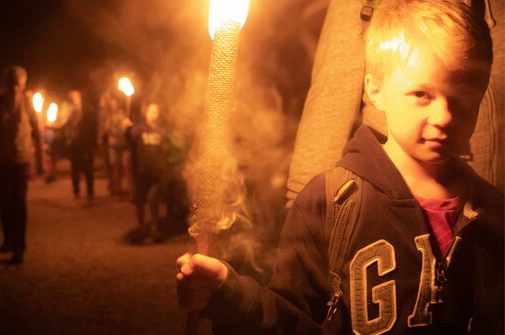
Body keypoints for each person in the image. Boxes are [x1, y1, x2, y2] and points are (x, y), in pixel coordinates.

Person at [176, 1, 504, 334]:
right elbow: (292, 318)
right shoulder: (331, 204)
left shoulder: (493, 213)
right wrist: (229, 292)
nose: (445, 116)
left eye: (463, 94)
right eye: (421, 93)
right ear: (375, 89)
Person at [286, 0, 503, 208]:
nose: (443, 116)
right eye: (421, 94)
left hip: (482, 218)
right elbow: (330, 101)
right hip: (384, 209)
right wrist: (304, 206)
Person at [0, 65, 43, 264]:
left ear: (23, 84)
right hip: (0, 159)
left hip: (21, 159)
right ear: (6, 84)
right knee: (4, 201)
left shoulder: (28, 105)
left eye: (18, 83)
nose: (15, 87)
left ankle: (20, 246)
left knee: (19, 202)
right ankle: (8, 239)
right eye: (11, 83)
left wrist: (40, 160)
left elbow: (37, 132)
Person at [128, 103, 167, 243]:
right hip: (141, 172)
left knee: (153, 200)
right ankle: (141, 227)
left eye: (156, 111)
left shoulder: (161, 132)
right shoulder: (138, 129)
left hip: (155, 173)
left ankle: (154, 227)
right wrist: (127, 129)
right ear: (146, 112)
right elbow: (129, 143)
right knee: (140, 201)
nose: (153, 114)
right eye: (151, 111)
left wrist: (162, 167)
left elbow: (163, 152)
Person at [62, 89, 98, 201]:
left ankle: (90, 192)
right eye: (71, 98)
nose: (73, 100)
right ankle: (76, 190)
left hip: (86, 144)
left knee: (88, 168)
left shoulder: (89, 112)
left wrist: (93, 144)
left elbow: (94, 129)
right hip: (75, 144)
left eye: (75, 98)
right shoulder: (72, 113)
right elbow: (67, 126)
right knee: (75, 168)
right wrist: (67, 134)